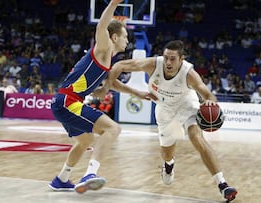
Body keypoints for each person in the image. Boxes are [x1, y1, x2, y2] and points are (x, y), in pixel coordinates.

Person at [100, 40, 238, 202]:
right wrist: (107, 87)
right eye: (166, 58)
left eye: (172, 59)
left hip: (187, 106)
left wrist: (209, 101)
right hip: (165, 111)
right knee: (167, 152)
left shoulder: (189, 73)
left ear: (181, 59)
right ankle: (169, 164)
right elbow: (118, 66)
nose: (168, 62)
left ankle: (222, 184)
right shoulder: (152, 64)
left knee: (196, 138)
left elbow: (208, 95)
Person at [48, 0, 152, 194]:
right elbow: (101, 26)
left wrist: (138, 93)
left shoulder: (108, 60)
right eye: (125, 36)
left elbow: (114, 84)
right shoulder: (103, 49)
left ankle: (61, 179)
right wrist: (113, 3)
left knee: (85, 141)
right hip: (68, 102)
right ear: (114, 37)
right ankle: (90, 174)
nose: (127, 40)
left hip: (64, 102)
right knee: (113, 129)